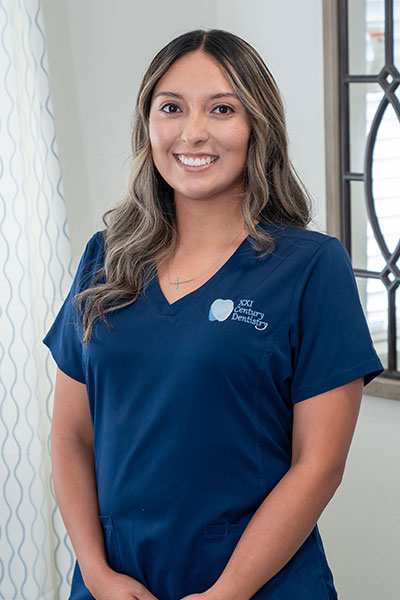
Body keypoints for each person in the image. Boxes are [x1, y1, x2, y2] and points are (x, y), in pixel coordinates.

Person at [42, 29, 384, 600]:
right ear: (148, 124)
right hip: (115, 584)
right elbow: (71, 435)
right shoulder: (106, 258)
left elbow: (319, 464)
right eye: (171, 108)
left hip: (259, 585)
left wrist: (227, 592)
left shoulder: (311, 267)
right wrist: (97, 575)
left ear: (257, 126)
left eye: (222, 109)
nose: (193, 132)